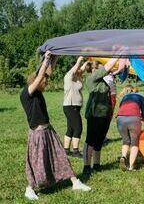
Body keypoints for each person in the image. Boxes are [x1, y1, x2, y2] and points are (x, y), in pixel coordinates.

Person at [20, 51, 91, 201]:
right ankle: (30, 188)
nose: (46, 83)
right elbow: (40, 76)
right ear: (35, 81)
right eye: (44, 82)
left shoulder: (37, 92)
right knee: (37, 163)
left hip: (48, 131)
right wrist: (46, 59)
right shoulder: (27, 93)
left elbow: (45, 73)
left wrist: (55, 57)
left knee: (61, 156)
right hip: (38, 135)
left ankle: (75, 182)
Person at [83, 58, 119, 177]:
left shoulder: (103, 81)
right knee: (90, 140)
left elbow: (111, 71)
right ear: (94, 69)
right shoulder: (91, 79)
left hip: (104, 114)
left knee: (99, 140)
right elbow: (108, 67)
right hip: (94, 114)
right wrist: (118, 54)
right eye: (100, 68)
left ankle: (97, 165)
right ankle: (86, 166)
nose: (103, 70)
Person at [116, 86, 144, 171]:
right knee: (134, 142)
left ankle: (123, 157)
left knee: (125, 140)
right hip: (133, 119)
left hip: (120, 118)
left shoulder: (124, 98)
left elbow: (121, 110)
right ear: (136, 91)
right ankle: (131, 167)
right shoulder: (140, 96)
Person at [63, 56, 91, 157]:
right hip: (70, 106)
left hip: (74, 106)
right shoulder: (68, 76)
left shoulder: (77, 76)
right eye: (77, 68)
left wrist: (88, 60)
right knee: (78, 128)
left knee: (71, 128)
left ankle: (66, 150)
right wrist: (80, 58)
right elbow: (77, 67)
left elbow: (82, 68)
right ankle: (75, 151)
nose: (80, 70)